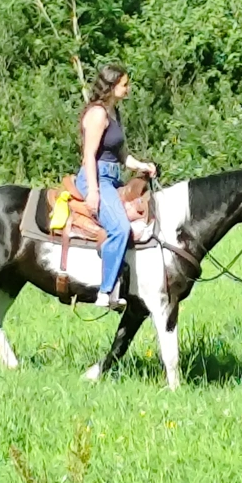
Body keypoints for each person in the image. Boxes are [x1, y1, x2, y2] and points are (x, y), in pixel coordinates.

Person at [76, 63, 156, 310]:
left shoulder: (115, 113)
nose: (128, 88)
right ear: (111, 86)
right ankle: (105, 292)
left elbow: (122, 156)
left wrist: (143, 165)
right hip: (96, 178)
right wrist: (93, 191)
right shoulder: (97, 114)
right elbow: (89, 155)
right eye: (124, 84)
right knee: (120, 228)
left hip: (113, 177)